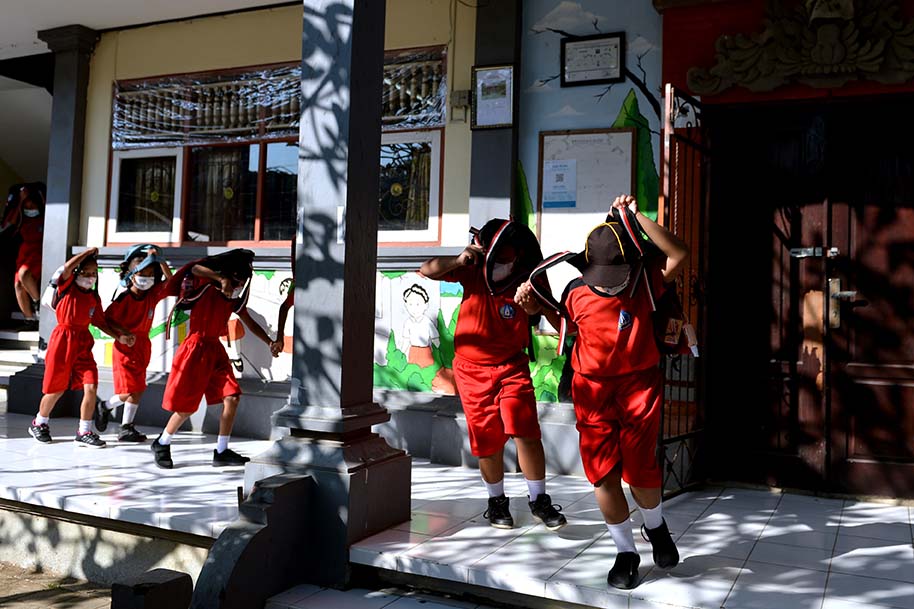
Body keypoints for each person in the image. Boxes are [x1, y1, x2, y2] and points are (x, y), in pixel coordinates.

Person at [516, 195, 689, 590]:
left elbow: (679, 251)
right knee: (603, 477)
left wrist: (636, 216)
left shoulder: (647, 280)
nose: (606, 286)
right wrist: (531, 309)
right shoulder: (576, 291)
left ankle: (656, 527)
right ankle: (625, 551)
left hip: (639, 386)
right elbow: (565, 326)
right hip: (591, 392)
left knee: (642, 471)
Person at [419, 219, 567, 531]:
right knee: (487, 439)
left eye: (508, 258)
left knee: (525, 432)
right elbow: (427, 269)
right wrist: (459, 258)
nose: (502, 263)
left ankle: (539, 498)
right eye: (496, 256)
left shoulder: (529, 275)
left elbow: (559, 321)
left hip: (512, 367)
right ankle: (496, 501)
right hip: (471, 371)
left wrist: (535, 310)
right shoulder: (471, 266)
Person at [150, 249, 277, 469]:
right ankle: (162, 442)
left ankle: (221, 450)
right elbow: (193, 267)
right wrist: (221, 279)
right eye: (237, 280)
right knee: (187, 406)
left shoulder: (233, 299)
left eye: (242, 282)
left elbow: (249, 321)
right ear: (229, 275)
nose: (238, 286)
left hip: (215, 349)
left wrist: (269, 341)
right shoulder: (206, 286)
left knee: (232, 397)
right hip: (195, 348)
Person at [28, 248, 135, 448]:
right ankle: (39, 423)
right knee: (56, 388)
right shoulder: (66, 288)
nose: (90, 277)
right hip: (62, 340)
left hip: (83, 342)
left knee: (91, 385)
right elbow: (66, 268)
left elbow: (101, 322)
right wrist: (87, 253)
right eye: (86, 272)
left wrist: (120, 336)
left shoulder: (93, 298)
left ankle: (84, 431)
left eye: (94, 273)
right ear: (77, 273)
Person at [96, 245, 173, 442]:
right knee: (128, 391)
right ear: (131, 274)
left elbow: (172, 283)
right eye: (141, 273)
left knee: (139, 388)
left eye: (150, 274)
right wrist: (121, 334)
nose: (146, 278)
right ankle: (105, 406)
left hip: (143, 346)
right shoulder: (123, 298)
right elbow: (106, 320)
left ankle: (126, 427)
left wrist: (160, 261)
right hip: (124, 348)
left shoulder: (152, 295)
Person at [1, 183, 45, 326]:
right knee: (18, 285)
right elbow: (10, 222)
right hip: (24, 253)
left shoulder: (44, 218)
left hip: (38, 252)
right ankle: (29, 319)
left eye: (32, 206)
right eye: (27, 207)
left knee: (24, 274)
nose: (30, 209)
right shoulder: (22, 219)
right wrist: (20, 200)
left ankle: (39, 304)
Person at [398, 284, 439, 367]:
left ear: (425, 305)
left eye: (417, 304)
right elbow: (406, 340)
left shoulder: (427, 322)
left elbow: (435, 339)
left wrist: (442, 352)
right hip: (413, 352)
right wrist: (400, 354)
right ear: (406, 305)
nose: (414, 308)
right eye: (410, 304)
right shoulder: (408, 323)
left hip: (425, 353)